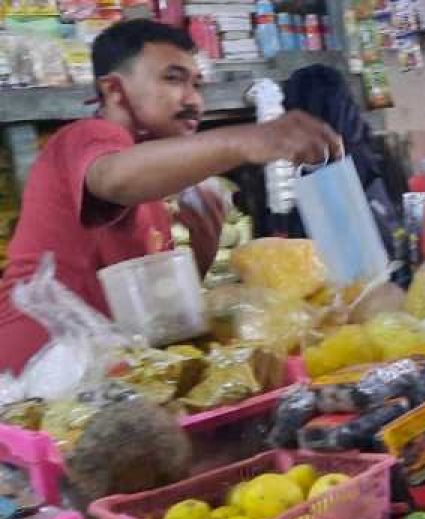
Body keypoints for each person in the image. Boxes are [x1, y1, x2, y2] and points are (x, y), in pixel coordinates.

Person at [0, 19, 342, 373]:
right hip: (30, 379)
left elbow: (151, 312)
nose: (194, 100)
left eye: (197, 84)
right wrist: (248, 139)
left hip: (94, 380)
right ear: (115, 90)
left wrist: (202, 252)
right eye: (173, 79)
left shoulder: (153, 187)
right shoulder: (86, 137)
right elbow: (113, 178)